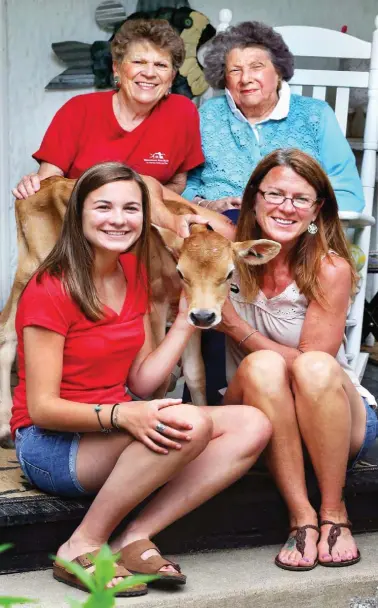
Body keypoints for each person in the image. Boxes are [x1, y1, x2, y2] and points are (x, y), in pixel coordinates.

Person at [10, 161, 271, 595]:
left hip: (114, 422)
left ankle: (134, 536)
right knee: (193, 423)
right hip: (50, 443)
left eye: (131, 208)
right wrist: (123, 415)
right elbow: (42, 408)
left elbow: (144, 381)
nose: (118, 219)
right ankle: (80, 544)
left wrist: (189, 313)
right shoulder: (50, 289)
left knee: (253, 424)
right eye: (103, 207)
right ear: (78, 214)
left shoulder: (131, 274)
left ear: (144, 219)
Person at [218, 149, 377, 570]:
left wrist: (235, 326)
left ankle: (333, 511)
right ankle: (301, 516)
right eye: (274, 194)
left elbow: (312, 365)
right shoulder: (227, 257)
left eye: (300, 199)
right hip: (257, 412)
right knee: (263, 366)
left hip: (330, 414)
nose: (286, 207)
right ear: (252, 198)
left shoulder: (329, 268)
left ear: (316, 210)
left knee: (310, 364)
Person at [12, 18, 206, 238]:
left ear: (171, 78)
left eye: (161, 65)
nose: (150, 73)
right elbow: (49, 183)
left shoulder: (182, 112)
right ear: (117, 68)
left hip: (147, 236)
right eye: (139, 62)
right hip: (80, 235)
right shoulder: (78, 110)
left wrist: (137, 210)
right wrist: (33, 184)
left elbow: (179, 182)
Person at [183, 21, 365, 214]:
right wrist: (207, 206)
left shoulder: (316, 115)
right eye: (235, 70)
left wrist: (302, 220)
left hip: (297, 233)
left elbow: (348, 195)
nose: (245, 79)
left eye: (256, 66)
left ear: (278, 71)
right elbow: (184, 184)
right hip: (220, 232)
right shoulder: (207, 115)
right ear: (224, 77)